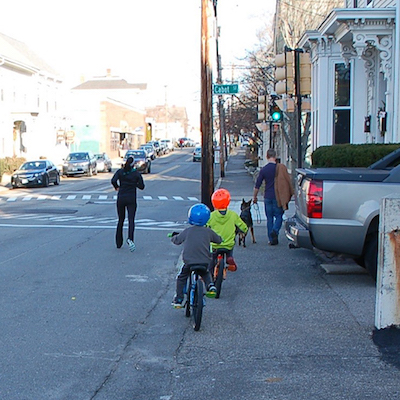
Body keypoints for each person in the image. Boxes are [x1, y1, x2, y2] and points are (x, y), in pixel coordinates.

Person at [171, 203, 223, 308]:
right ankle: (210, 286)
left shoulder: (187, 231)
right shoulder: (208, 232)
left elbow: (177, 240)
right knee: (205, 273)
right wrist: (220, 238)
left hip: (189, 262)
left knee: (182, 278)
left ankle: (179, 299)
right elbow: (218, 240)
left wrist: (173, 237)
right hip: (204, 261)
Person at [253, 148, 294, 245]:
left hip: (267, 196)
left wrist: (254, 197)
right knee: (279, 216)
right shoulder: (280, 168)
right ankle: (275, 231)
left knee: (269, 218)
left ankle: (271, 239)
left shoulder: (264, 170)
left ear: (267, 157)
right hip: (278, 196)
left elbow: (257, 185)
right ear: (275, 157)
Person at [206, 188, 248, 271]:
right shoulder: (233, 215)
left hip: (215, 244)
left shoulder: (211, 216)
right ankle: (229, 259)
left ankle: (210, 271)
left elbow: (205, 226)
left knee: (212, 258)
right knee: (229, 250)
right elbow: (242, 226)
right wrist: (245, 230)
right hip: (228, 243)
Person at [111, 156, 145, 251]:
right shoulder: (136, 174)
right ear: (133, 164)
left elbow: (113, 180)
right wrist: (134, 184)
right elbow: (142, 186)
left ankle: (118, 242)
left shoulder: (120, 172)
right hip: (131, 198)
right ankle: (130, 239)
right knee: (131, 220)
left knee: (120, 219)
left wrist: (117, 187)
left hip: (121, 197)